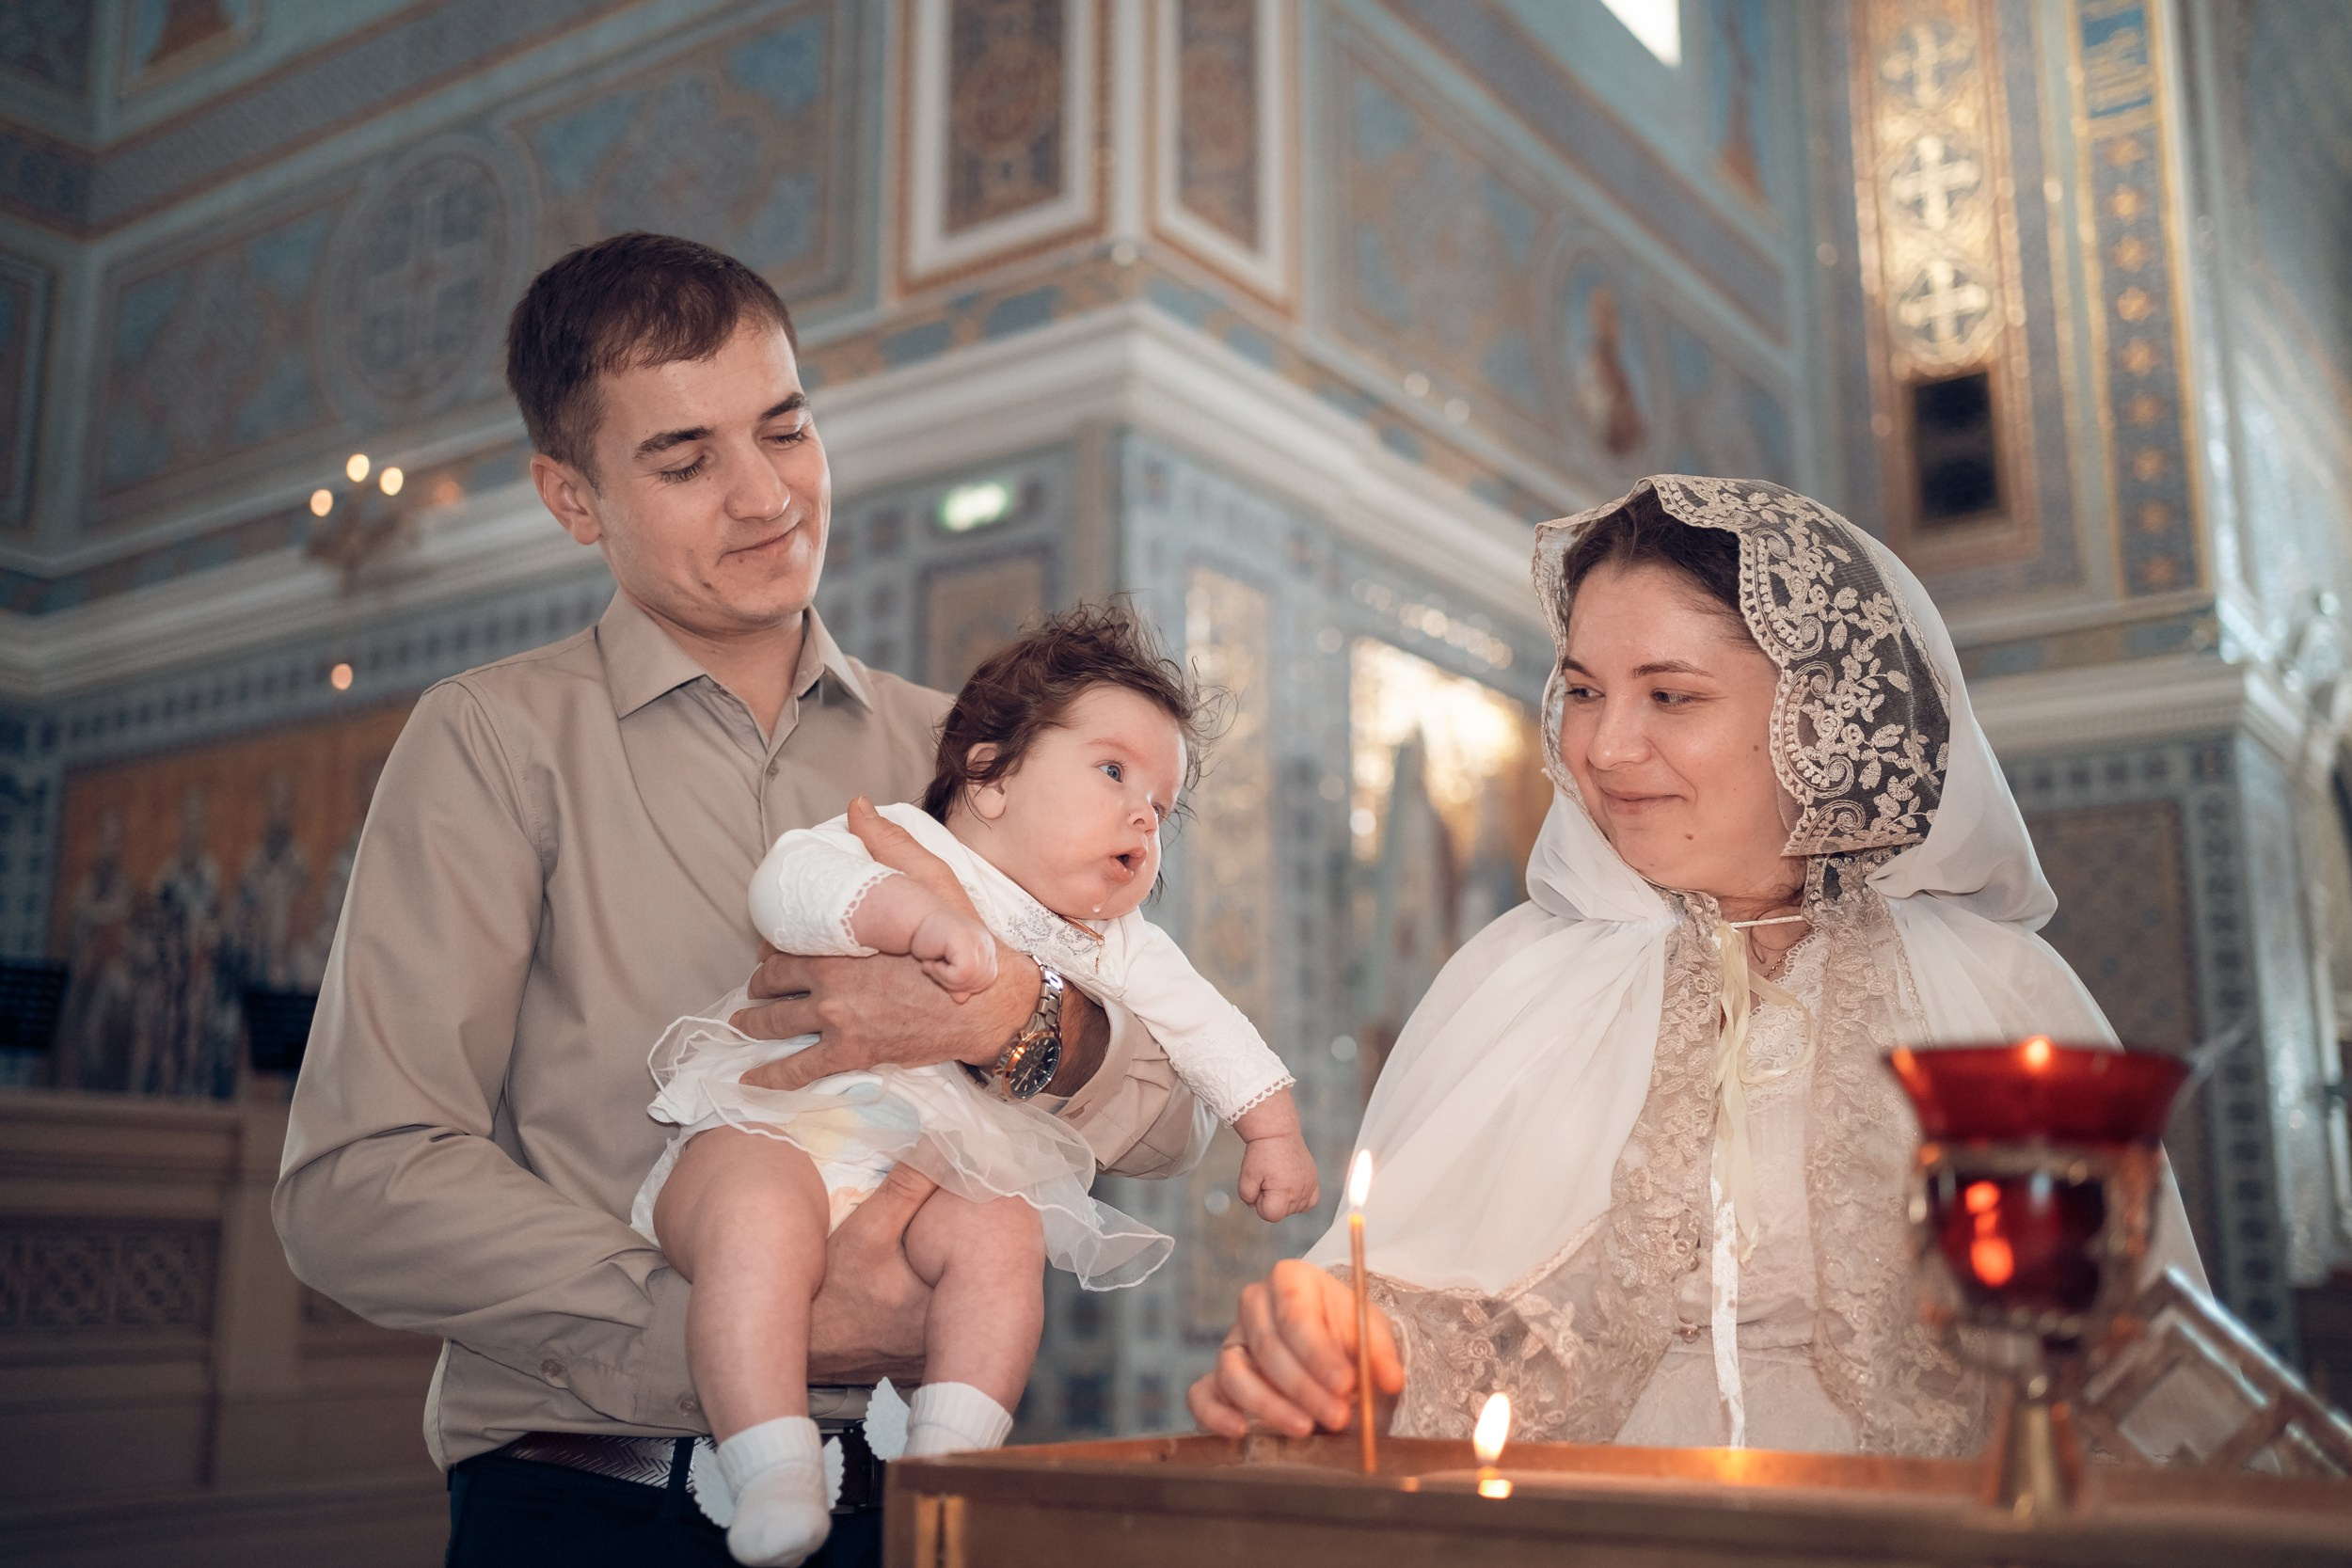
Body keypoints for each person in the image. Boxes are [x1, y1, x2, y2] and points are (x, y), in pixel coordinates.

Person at [274, 233, 1212, 1568]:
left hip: (915, 1495)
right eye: (685, 458)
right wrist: (730, 1321)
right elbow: (356, 1183)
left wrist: (1011, 1013)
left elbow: (1169, 1114)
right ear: (572, 495)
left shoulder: (965, 755)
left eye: (786, 428)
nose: (766, 493)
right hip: (597, 1500)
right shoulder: (494, 740)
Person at [1190, 475, 2205, 1455]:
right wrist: (1330, 1341)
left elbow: (2136, 1393)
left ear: (1823, 714)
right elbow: (1421, 1325)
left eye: (1670, 694)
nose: (1606, 746)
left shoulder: (2001, 995)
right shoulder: (1510, 979)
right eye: (1582, 690)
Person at [639, 607, 1317, 1565]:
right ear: (990, 777)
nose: (1141, 813)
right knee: (753, 1217)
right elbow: (789, 879)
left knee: (1003, 1234)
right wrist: (912, 916)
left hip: (939, 1170)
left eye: (1161, 807)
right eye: (1114, 771)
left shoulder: (1114, 944)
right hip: (785, 1125)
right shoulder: (908, 839)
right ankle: (771, 1462)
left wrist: (1273, 1128)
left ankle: (950, 1464)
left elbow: (1208, 1029)